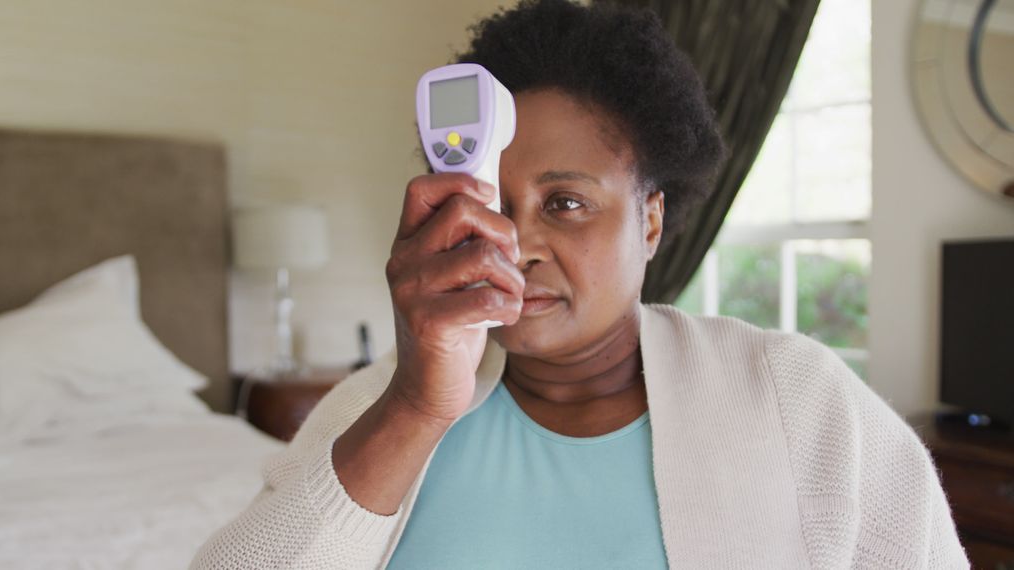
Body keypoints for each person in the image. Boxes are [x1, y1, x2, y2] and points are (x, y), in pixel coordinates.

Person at [191, 0, 968, 567]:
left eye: (565, 204)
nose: (517, 242)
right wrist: (416, 407)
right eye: (490, 202)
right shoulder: (375, 409)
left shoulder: (797, 399)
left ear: (652, 221)